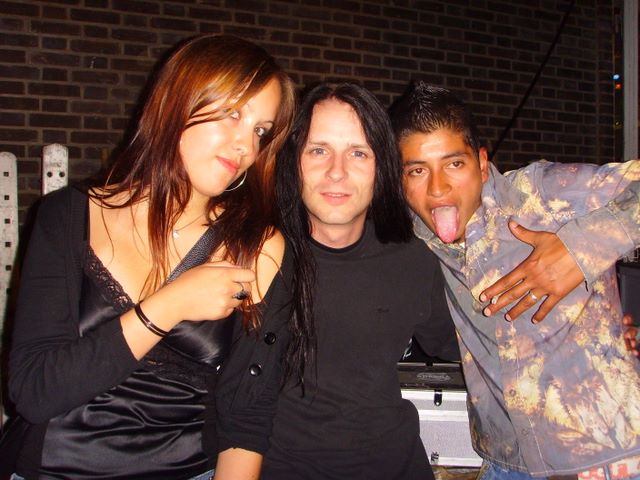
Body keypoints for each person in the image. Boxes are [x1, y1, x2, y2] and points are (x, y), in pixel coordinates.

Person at [7, 34, 296, 480]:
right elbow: (33, 392)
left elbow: (247, 417)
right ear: (177, 101)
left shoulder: (257, 247)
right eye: (233, 114)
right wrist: (170, 304)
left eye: (260, 130)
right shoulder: (66, 217)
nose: (246, 146)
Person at [389, 81, 640, 479]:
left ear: (481, 163)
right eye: (417, 171)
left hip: (608, 459)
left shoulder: (544, 194)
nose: (437, 188)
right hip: (505, 463)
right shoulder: (414, 237)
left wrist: (578, 247)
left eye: (454, 164)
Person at [260, 82, 460, 480]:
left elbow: (472, 348)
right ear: (293, 161)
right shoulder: (259, 259)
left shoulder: (416, 258)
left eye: (358, 153)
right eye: (319, 150)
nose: (337, 171)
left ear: (381, 167)